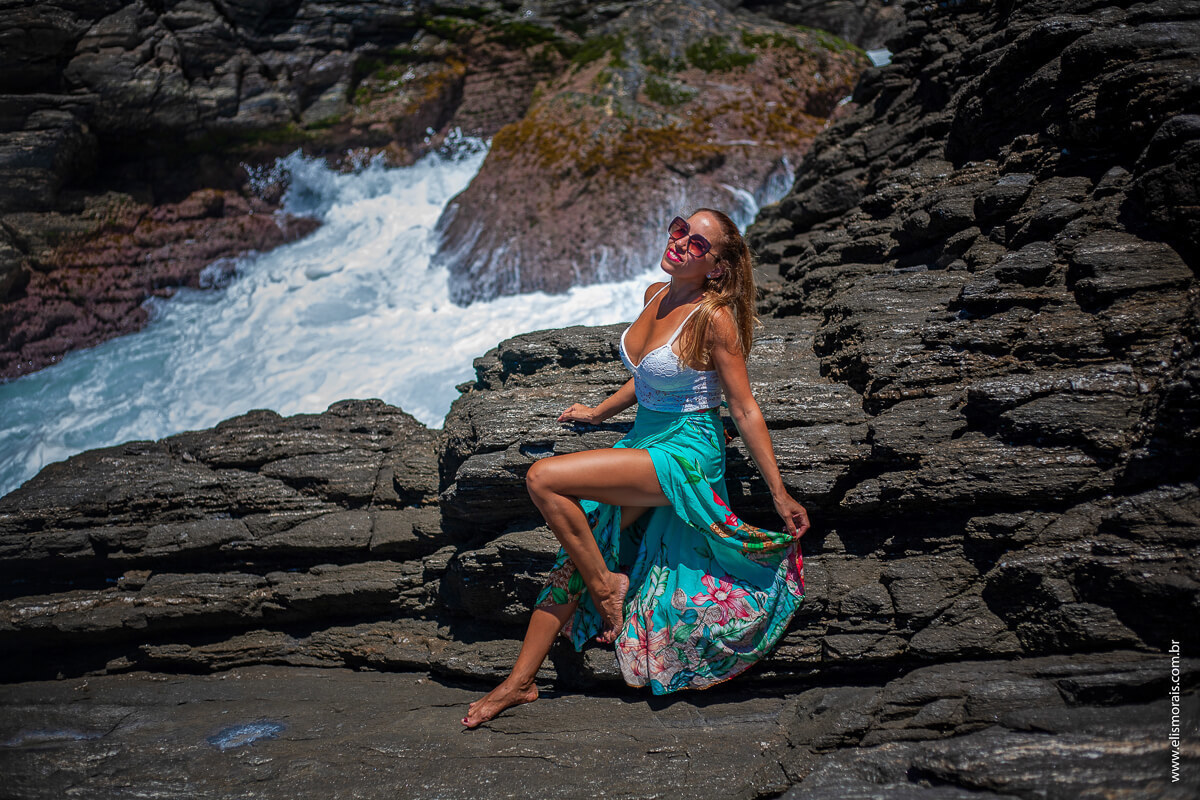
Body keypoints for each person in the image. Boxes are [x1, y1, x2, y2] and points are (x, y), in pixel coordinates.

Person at [463, 208, 810, 728]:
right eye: (680, 230)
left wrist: (779, 493)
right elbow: (649, 376)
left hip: (686, 453)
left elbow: (743, 408)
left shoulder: (714, 318)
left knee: (543, 478)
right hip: (644, 439)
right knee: (582, 547)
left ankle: (607, 589)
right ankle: (520, 683)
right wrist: (599, 412)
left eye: (698, 244)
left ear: (716, 267)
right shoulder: (654, 294)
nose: (681, 243)